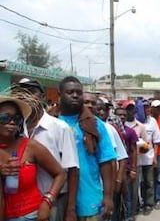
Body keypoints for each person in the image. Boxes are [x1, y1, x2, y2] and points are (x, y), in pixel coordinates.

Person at [12, 80, 80, 221]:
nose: (26, 96)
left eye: (31, 92)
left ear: (42, 97)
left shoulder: (60, 128)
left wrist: (70, 209)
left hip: (55, 201)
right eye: (21, 92)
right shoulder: (14, 129)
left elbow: (73, 170)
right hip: (25, 206)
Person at [57, 76, 117, 221]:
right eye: (70, 92)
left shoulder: (95, 125)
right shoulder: (52, 122)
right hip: (58, 199)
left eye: (79, 92)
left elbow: (106, 161)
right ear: (59, 95)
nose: (75, 95)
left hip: (89, 200)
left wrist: (108, 196)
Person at [0, 95, 66, 221]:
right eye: (5, 118)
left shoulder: (30, 146)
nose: (12, 122)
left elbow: (61, 174)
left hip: (32, 215)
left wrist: (47, 201)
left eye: (16, 119)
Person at [83, 92, 129, 221]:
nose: (101, 112)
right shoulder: (76, 127)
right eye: (99, 109)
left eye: (102, 109)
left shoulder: (109, 129)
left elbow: (121, 157)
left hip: (107, 186)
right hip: (89, 187)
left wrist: (118, 180)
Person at [114, 107, 139, 221]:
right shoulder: (110, 130)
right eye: (119, 115)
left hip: (127, 169)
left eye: (124, 115)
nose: (122, 117)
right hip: (114, 170)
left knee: (127, 195)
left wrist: (133, 169)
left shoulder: (130, 132)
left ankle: (129, 216)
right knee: (115, 198)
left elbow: (134, 151)